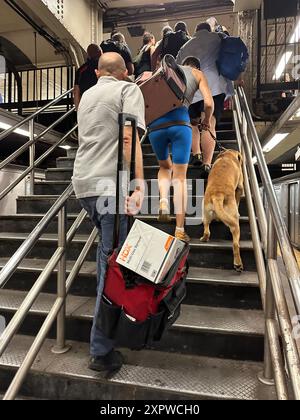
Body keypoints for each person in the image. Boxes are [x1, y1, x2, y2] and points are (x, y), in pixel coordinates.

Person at [72, 52, 145, 373]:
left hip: (84, 184)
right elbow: (128, 136)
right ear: (127, 72)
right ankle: (100, 351)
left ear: (99, 71)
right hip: (110, 188)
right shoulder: (128, 90)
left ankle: (109, 336)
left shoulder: (87, 95)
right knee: (111, 266)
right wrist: (139, 184)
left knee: (108, 257)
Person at [148, 56, 214, 243]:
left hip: (155, 127)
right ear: (197, 66)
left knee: (164, 167)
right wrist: (207, 121)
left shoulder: (163, 70)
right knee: (180, 178)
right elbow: (209, 104)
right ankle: (179, 229)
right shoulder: (197, 74)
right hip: (180, 125)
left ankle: (163, 201)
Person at [177, 22, 228, 175]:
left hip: (191, 88)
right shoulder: (219, 38)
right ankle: (207, 163)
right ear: (209, 29)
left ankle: (196, 153)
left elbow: (178, 68)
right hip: (214, 87)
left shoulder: (185, 45)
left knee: (193, 123)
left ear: (195, 31)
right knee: (209, 123)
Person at [73, 44, 102, 110]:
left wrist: (78, 110)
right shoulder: (105, 66)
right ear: (100, 52)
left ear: (88, 55)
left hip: (86, 105)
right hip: (103, 105)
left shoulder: (81, 70)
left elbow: (76, 92)